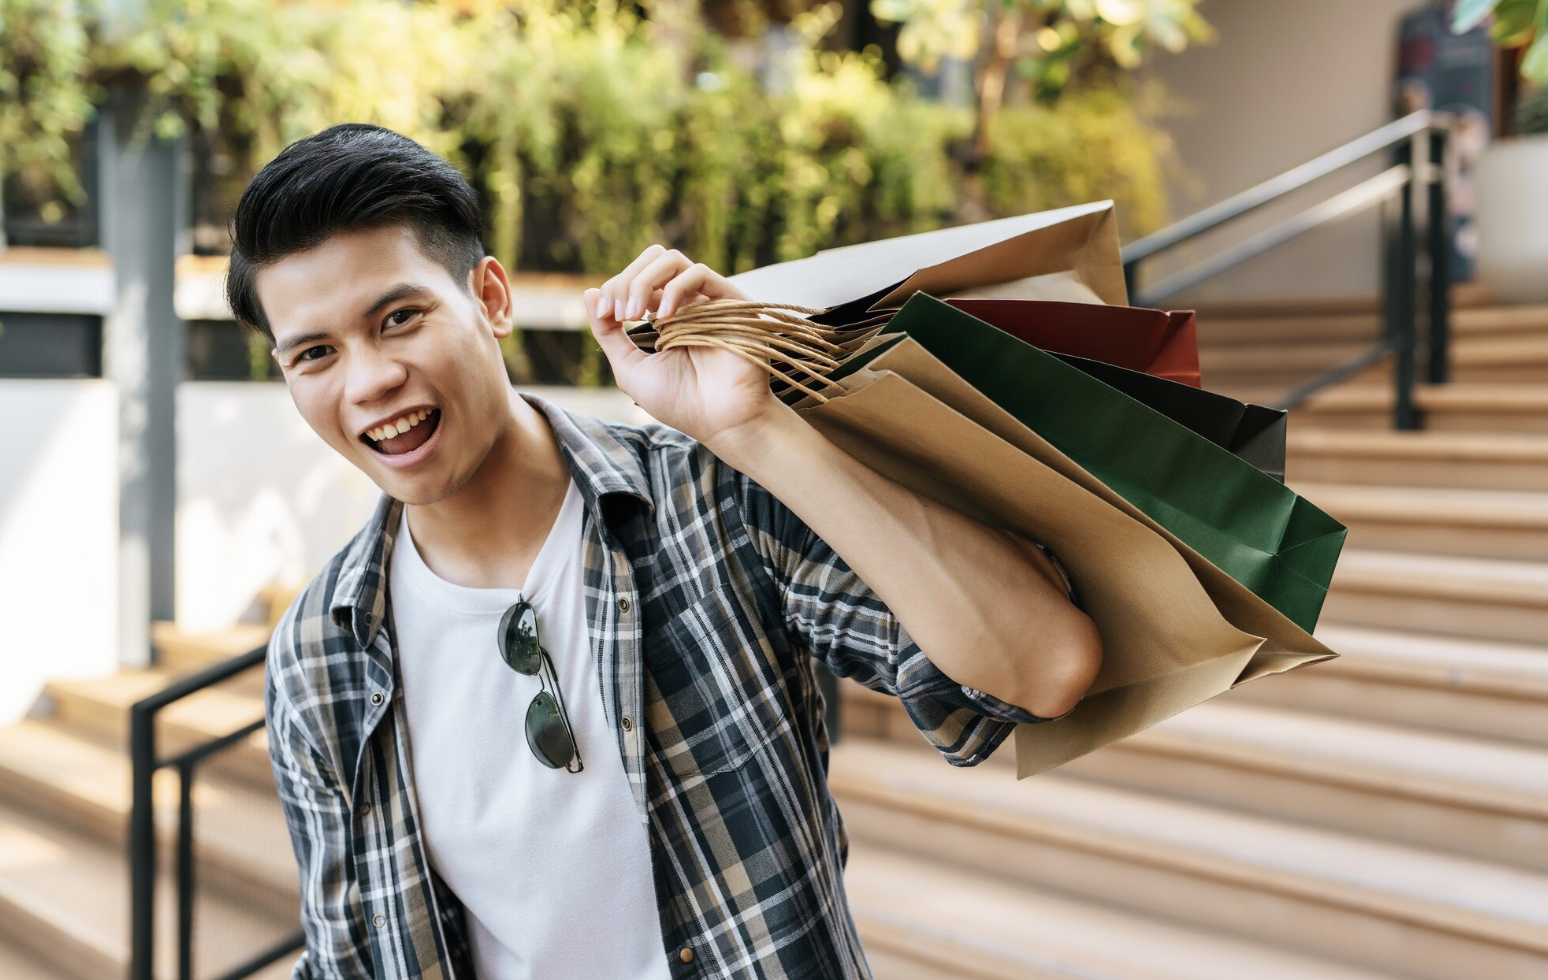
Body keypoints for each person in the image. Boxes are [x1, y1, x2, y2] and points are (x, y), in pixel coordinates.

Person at [234, 123, 1101, 980]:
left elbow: (1043, 668)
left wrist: (755, 431)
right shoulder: (320, 654)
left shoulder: (710, 502)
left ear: (491, 299)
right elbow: (348, 957)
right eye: (315, 353)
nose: (368, 380)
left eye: (399, 317)